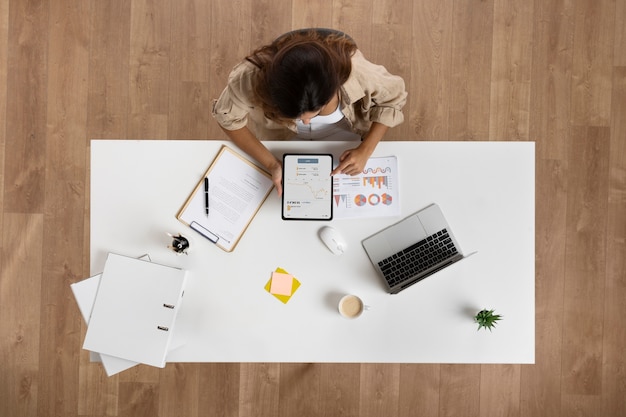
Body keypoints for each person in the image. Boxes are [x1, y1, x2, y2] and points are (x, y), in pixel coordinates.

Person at [211, 28, 407, 195]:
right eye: (294, 116)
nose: (305, 122)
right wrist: (272, 164)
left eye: (315, 112)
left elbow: (394, 98)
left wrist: (366, 150)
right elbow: (228, 119)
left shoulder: (358, 71)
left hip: (347, 138)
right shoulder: (248, 78)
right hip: (282, 141)